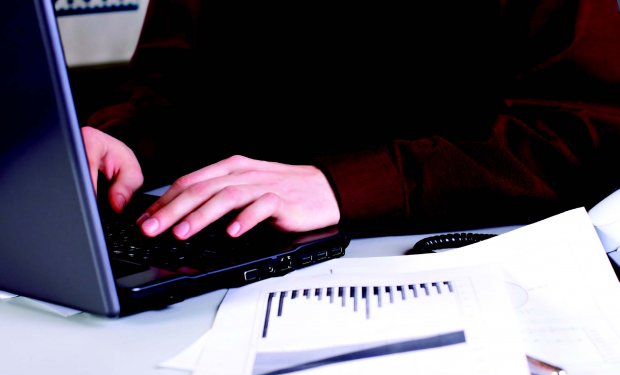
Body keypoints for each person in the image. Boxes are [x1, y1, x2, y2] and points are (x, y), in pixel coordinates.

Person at [82, 0, 620, 241]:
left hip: (443, 258)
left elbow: (583, 131)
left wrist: (340, 185)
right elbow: (170, 88)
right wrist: (121, 141)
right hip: (225, 244)